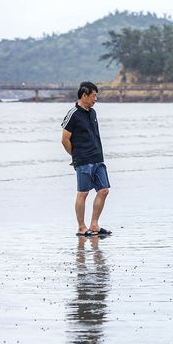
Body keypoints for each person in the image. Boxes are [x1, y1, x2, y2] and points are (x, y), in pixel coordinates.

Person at [61, 82, 112, 237]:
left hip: (98, 158)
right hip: (83, 160)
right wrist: (75, 157)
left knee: (103, 191)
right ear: (84, 95)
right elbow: (65, 139)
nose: (96, 99)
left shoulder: (93, 113)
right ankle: (82, 227)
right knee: (83, 193)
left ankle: (94, 225)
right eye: (93, 95)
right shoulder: (73, 114)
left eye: (96, 95)